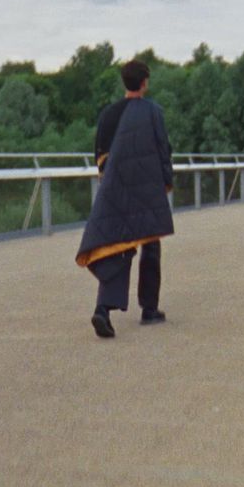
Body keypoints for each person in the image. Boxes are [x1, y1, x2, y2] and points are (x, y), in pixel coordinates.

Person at [75, 60, 174, 339]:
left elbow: (100, 156)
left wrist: (108, 184)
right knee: (150, 245)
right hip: (146, 189)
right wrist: (166, 182)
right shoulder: (153, 112)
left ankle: (103, 309)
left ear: (124, 82)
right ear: (145, 82)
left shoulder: (108, 114)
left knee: (116, 247)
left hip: (116, 190)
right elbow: (162, 149)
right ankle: (149, 308)